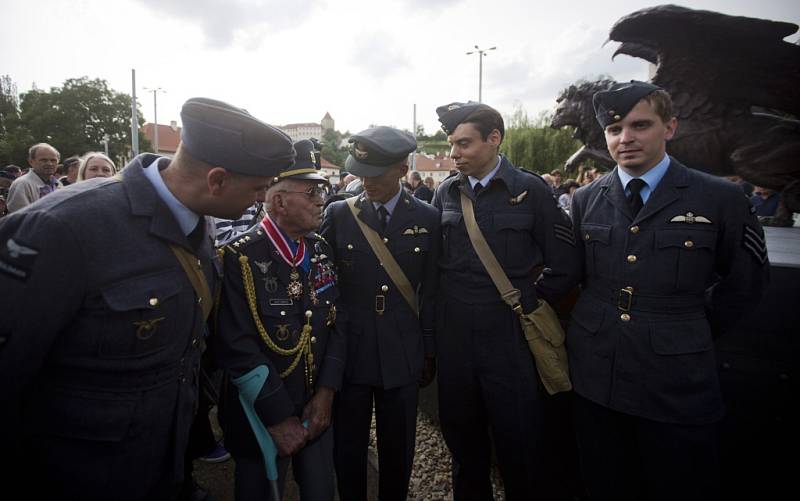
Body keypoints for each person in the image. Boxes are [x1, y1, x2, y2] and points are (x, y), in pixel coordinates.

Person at [0, 97, 295, 500]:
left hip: (161, 464)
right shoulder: (60, 228)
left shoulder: (200, 222)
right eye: (259, 188)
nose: (261, 199)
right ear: (217, 180)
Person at [568, 81, 770, 501]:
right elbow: (577, 277)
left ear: (671, 127)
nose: (625, 139)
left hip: (676, 382)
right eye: (614, 128)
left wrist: (684, 328)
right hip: (597, 374)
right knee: (604, 482)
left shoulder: (720, 198)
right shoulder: (587, 198)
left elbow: (745, 284)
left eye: (640, 125)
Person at [432, 102, 581, 500]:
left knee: (520, 445)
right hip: (457, 341)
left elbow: (566, 264)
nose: (454, 154)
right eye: (451, 145)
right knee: (463, 443)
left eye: (463, 144)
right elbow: (434, 266)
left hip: (511, 341)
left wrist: (527, 303)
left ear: (494, 139)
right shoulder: (447, 192)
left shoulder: (530, 190)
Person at [212, 137, 344, 501]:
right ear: (279, 200)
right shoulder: (238, 259)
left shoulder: (320, 249)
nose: (322, 200)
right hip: (261, 415)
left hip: (316, 408)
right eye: (312, 192)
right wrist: (278, 418)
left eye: (323, 190)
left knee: (320, 491)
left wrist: (327, 394)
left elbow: (336, 322)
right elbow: (234, 345)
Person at [321, 126, 440, 501]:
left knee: (398, 448)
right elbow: (325, 285)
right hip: (351, 351)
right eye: (360, 171)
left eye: (375, 174)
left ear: (402, 170)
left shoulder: (428, 218)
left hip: (402, 350)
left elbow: (433, 292)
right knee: (349, 446)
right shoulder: (339, 214)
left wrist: (429, 349)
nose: (365, 181)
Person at [5, 142, 61, 212]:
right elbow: (21, 217)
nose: (49, 164)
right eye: (44, 160)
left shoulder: (58, 184)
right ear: (31, 161)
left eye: (53, 160)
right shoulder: (22, 184)